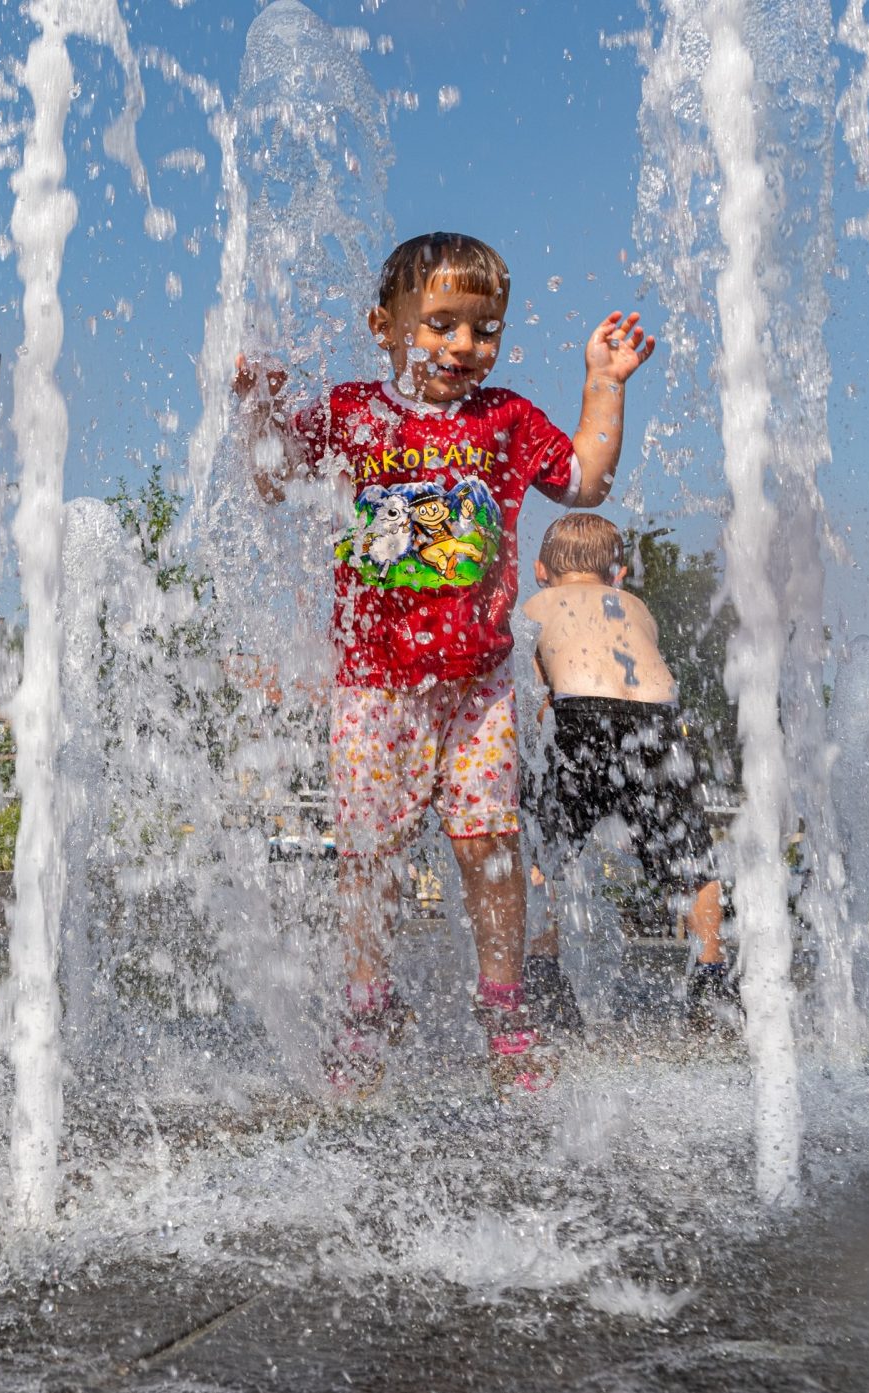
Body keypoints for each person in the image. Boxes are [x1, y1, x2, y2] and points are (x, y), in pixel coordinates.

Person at [237, 230, 657, 1098]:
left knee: (491, 850)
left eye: (483, 329)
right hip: (374, 685)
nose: (462, 346)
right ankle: (367, 1004)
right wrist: (257, 412)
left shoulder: (503, 420)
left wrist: (602, 386)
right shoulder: (357, 412)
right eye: (438, 325)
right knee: (368, 854)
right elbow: (273, 477)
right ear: (385, 326)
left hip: (475, 690)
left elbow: (583, 482)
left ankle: (503, 1009)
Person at [520, 513, 735, 1032]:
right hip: (657, 722)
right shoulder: (636, 607)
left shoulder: (536, 606)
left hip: (579, 716)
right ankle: (712, 972)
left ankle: (544, 971)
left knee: (538, 848)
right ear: (617, 574)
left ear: (540, 569)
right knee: (690, 858)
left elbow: (533, 696)